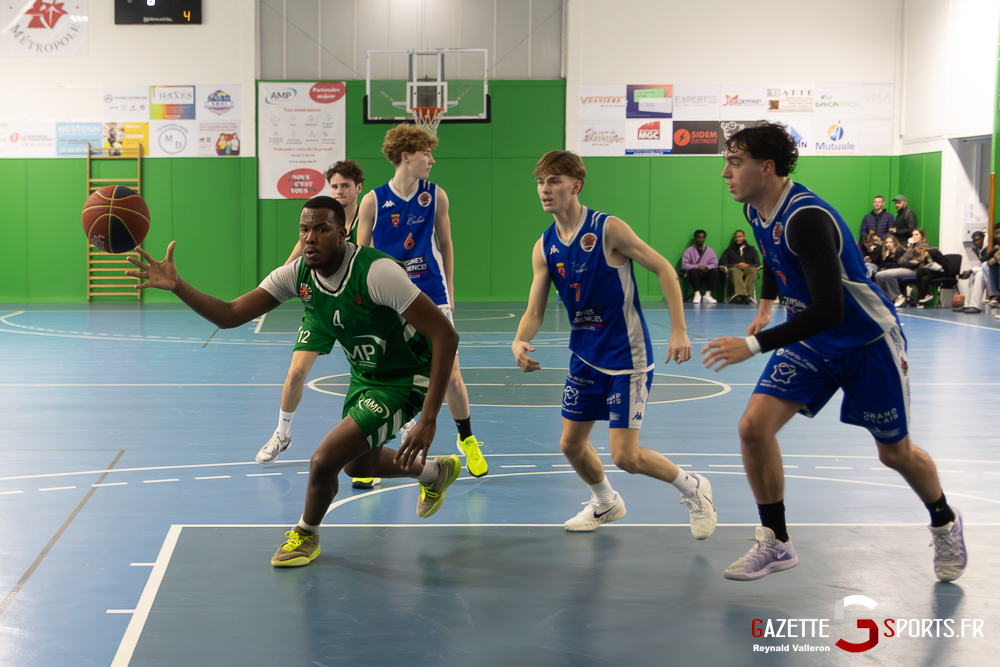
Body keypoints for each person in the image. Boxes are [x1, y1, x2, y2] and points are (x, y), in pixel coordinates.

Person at [126, 196, 462, 568]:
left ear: (342, 233)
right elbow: (230, 314)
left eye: (321, 229)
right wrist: (177, 286)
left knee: (324, 460)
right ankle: (435, 472)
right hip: (366, 376)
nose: (311, 238)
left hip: (405, 378)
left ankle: (305, 534)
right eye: (305, 229)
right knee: (357, 466)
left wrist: (429, 418)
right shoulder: (296, 274)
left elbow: (445, 336)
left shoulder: (376, 273)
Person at [703, 122, 965, 583]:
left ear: (766, 169)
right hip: (811, 342)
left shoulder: (806, 218)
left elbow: (829, 308)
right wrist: (766, 307)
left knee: (895, 454)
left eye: (734, 162)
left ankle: (944, 520)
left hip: (866, 342)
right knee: (752, 428)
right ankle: (777, 541)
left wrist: (752, 345)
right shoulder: (756, 211)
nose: (725, 172)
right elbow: (773, 258)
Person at [511, 150, 716, 539]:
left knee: (625, 456)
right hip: (585, 355)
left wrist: (679, 329)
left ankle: (694, 487)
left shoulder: (608, 229)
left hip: (628, 355)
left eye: (554, 181)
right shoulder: (544, 246)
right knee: (571, 444)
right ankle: (606, 502)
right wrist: (520, 339)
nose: (545, 189)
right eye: (540, 182)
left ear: (577, 185)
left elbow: (664, 269)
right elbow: (535, 310)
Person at [357, 124, 488, 478]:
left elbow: (446, 245)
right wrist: (365, 302)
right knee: (384, 378)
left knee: (451, 376)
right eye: (426, 153)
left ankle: (467, 438)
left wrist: (450, 288)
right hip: (388, 295)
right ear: (406, 156)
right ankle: (373, 453)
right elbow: (361, 255)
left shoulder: (436, 196)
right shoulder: (373, 200)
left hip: (430, 290)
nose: (432, 160)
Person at [257, 161, 379, 489]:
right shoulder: (321, 221)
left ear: (358, 189)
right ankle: (282, 434)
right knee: (296, 372)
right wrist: (275, 288)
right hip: (320, 308)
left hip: (357, 308)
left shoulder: (369, 216)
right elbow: (295, 259)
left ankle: (382, 443)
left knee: (372, 381)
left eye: (345, 186)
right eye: (335, 186)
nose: (339, 191)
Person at [874, 228, 930, 307]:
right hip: (906, 268)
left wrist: (910, 246)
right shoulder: (912, 246)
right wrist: (910, 248)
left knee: (889, 275)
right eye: (913, 235)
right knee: (878, 275)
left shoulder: (924, 246)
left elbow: (918, 261)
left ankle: (898, 296)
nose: (914, 237)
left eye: (916, 235)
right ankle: (886, 298)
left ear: (922, 236)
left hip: (916, 270)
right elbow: (901, 261)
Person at [961, 231, 998, 314]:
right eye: (974, 240)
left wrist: (971, 270)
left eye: (978, 240)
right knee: (973, 275)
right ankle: (967, 304)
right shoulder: (979, 250)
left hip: (994, 273)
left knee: (979, 275)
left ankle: (975, 306)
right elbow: (983, 264)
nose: (976, 242)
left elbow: (987, 264)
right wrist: (972, 271)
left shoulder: (989, 247)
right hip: (988, 270)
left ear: (983, 238)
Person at [720, 230, 760, 303]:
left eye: (740, 236)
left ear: (744, 237)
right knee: (734, 270)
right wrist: (736, 265)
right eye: (736, 237)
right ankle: (741, 295)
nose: (738, 238)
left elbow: (757, 264)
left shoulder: (752, 250)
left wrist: (747, 265)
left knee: (753, 270)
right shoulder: (729, 250)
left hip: (748, 269)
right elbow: (723, 263)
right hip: (735, 269)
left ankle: (747, 295)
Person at [681, 230, 719, 304]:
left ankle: (707, 295)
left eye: (702, 237)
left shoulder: (709, 251)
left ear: (705, 238)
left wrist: (707, 267)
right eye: (698, 237)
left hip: (706, 273)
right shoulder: (689, 251)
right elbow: (684, 265)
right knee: (693, 271)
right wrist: (697, 266)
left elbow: (715, 264)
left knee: (714, 271)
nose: (700, 239)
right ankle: (697, 294)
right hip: (694, 274)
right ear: (695, 238)